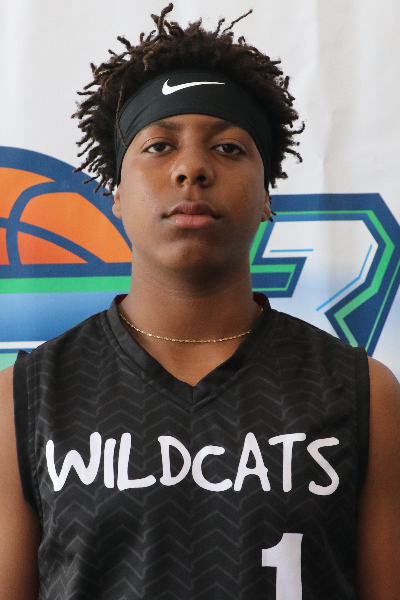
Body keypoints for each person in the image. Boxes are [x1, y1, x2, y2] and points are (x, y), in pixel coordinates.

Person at [0, 4, 399, 598]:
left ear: (268, 197)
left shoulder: (363, 393)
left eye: (229, 148)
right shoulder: (26, 397)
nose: (191, 168)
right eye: (159, 146)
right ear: (116, 194)